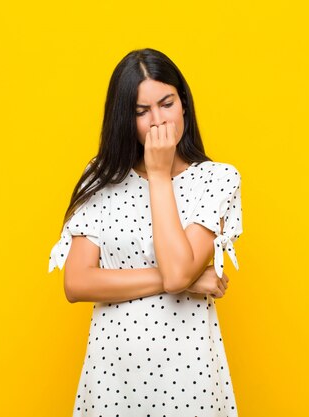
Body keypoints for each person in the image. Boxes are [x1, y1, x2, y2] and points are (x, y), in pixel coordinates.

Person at [48, 48, 243, 416]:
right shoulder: (101, 178)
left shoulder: (216, 179)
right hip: (112, 376)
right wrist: (190, 281)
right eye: (141, 112)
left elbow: (177, 271)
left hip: (188, 375)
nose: (157, 121)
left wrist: (158, 173)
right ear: (125, 118)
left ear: (184, 103)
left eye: (167, 103)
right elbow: (76, 282)